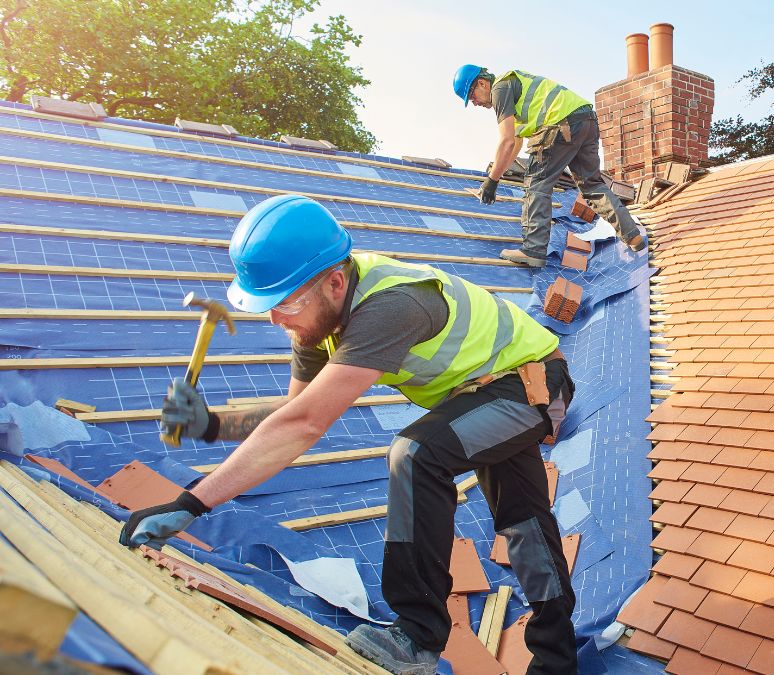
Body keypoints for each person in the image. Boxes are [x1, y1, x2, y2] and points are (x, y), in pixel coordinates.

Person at [119, 194, 579, 674]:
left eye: (287, 303)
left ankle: (418, 636)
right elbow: (294, 413)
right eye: (268, 307)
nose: (279, 319)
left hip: (532, 384)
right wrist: (213, 425)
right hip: (482, 395)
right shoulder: (316, 322)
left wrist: (191, 503)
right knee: (524, 521)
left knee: (416, 454)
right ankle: (557, 662)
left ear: (335, 282)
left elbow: (302, 426)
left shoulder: (390, 307)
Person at [453, 64, 647, 267]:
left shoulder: (499, 89)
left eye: (472, 95)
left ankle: (533, 250)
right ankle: (632, 236)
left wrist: (491, 182)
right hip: (586, 120)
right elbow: (514, 145)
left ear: (482, 83)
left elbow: (506, 141)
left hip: (560, 123)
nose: (474, 103)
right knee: (592, 186)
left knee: (537, 184)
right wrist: (496, 177)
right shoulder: (515, 93)